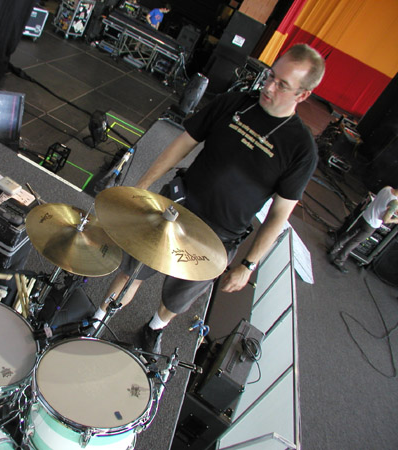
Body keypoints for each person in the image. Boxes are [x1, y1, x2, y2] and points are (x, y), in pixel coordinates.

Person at [92, 44, 325, 354]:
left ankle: (154, 328)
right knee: (132, 270)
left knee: (178, 298)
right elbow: (182, 144)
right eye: (271, 76)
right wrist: (143, 186)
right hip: (177, 207)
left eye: (282, 85)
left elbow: (278, 216)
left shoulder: (302, 150)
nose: (269, 87)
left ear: (303, 95)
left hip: (218, 238)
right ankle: (96, 321)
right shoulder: (236, 102)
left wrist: (248, 265)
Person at [328, 186, 398, 273]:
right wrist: (395, 220)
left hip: (365, 216)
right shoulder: (394, 202)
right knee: (354, 242)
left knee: (349, 234)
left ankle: (333, 249)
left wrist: (394, 209)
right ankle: (339, 261)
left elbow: (383, 202)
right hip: (371, 225)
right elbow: (386, 220)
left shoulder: (387, 188)